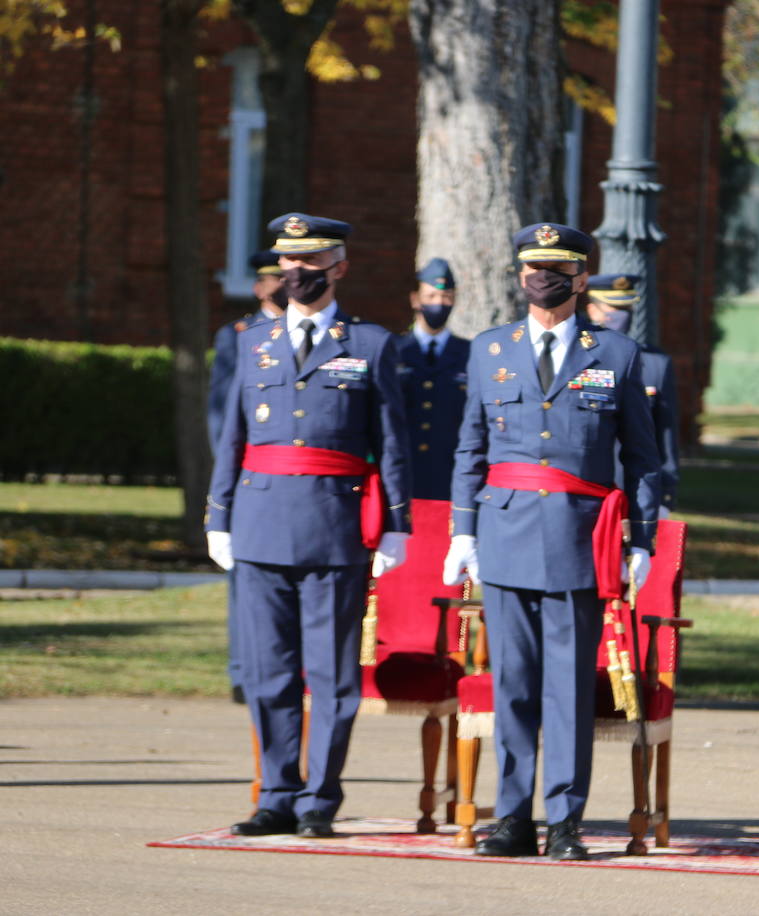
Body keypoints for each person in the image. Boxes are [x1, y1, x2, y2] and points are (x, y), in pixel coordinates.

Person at [442, 222, 661, 861]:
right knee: (511, 682)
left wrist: (639, 540)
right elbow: (470, 448)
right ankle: (511, 818)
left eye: (559, 268)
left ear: (581, 277)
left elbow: (643, 459)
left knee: (567, 686)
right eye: (534, 268)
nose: (545, 279)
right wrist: (463, 530)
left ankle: (565, 819)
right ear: (519, 276)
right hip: (506, 531)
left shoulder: (616, 354)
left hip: (576, 536)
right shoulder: (489, 350)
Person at [205, 212, 412, 838]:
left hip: (334, 522)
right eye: (288, 262)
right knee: (267, 671)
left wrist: (396, 524)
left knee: (331, 675)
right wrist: (219, 515)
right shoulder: (251, 342)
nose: (297, 272)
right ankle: (275, 792)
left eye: (311, 262)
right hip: (262, 516)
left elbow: (393, 440)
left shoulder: (370, 343)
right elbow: (231, 436)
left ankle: (319, 796)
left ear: (338, 268)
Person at [207, 250, 287, 705]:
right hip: (246, 478)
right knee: (244, 575)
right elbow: (221, 415)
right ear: (258, 288)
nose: (279, 285)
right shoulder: (239, 335)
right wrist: (228, 477)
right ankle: (242, 668)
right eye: (271, 279)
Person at [584, 272, 680, 513]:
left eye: (627, 309)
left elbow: (665, 436)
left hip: (635, 492)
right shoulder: (575, 358)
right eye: (614, 309)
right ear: (593, 310)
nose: (623, 316)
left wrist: (664, 495)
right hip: (585, 488)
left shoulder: (655, 364)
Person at [398, 257, 472, 500]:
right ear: (415, 300)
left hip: (449, 477)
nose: (439, 303)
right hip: (401, 474)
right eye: (430, 297)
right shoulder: (393, 351)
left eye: (446, 297)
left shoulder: (469, 353)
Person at [208, 251, 286, 448]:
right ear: (259, 289)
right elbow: (223, 402)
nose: (286, 284)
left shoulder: (312, 331)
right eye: (277, 278)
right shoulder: (238, 334)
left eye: (290, 278)